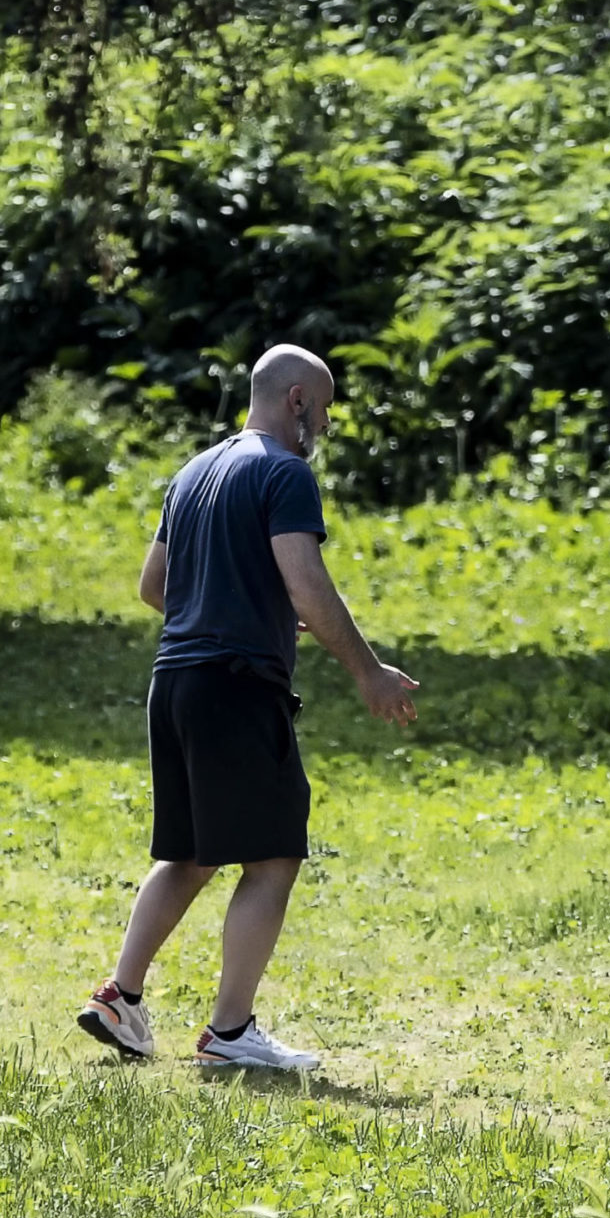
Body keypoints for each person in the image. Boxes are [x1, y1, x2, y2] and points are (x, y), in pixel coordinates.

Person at [77, 344, 418, 1069]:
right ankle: (230, 1033)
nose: (322, 425)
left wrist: (228, 606)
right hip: (236, 683)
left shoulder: (194, 472)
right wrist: (369, 671)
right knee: (272, 856)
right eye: (322, 410)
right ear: (296, 400)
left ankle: (122, 998)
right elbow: (307, 581)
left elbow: (152, 584)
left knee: (191, 851)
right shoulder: (284, 471)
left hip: (174, 681)